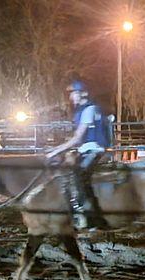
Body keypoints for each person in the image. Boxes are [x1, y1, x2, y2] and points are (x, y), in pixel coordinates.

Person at [46, 80, 110, 230]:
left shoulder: (89, 110)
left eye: (74, 93)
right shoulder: (83, 110)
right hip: (86, 149)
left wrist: (55, 151)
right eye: (71, 94)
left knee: (78, 174)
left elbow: (77, 137)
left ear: (84, 94)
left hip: (95, 149)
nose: (72, 97)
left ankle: (86, 215)